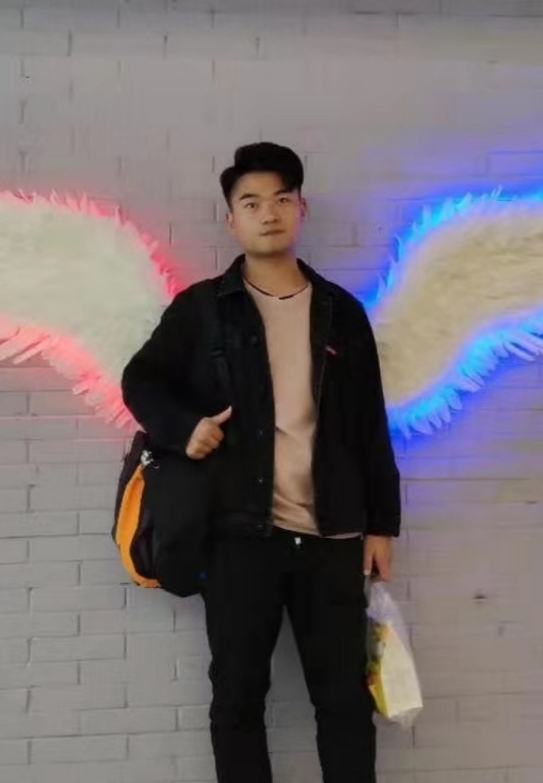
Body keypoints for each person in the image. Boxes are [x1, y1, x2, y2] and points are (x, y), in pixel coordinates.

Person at [121, 142, 401, 783]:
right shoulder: (202, 309)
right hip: (238, 537)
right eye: (251, 203)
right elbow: (142, 380)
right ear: (231, 220)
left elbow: (369, 425)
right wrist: (184, 429)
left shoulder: (342, 313)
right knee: (238, 699)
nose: (268, 212)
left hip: (332, 535)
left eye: (281, 199)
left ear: (301, 209)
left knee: (345, 701)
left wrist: (382, 525)